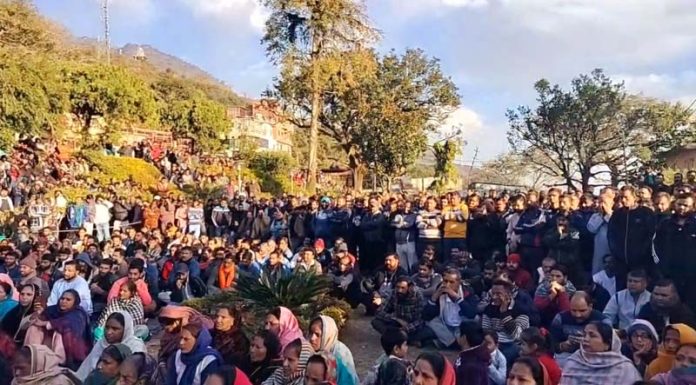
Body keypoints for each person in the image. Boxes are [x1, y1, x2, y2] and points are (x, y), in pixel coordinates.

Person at [23, 289, 92, 371]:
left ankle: (58, 362)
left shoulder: (79, 313)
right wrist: (38, 315)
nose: (64, 301)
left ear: (75, 302)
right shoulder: (54, 309)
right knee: (34, 328)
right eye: (62, 299)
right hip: (48, 341)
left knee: (59, 331)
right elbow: (39, 319)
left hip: (71, 351)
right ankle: (31, 355)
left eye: (68, 300)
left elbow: (67, 322)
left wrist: (46, 323)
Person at [560, 321, 641, 385]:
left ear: (607, 344)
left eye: (592, 336)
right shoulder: (573, 362)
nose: (586, 339)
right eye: (584, 335)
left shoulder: (624, 368)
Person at [653, 193, 696, 311]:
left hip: (692, 278)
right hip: (669, 275)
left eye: (686, 205)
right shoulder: (665, 224)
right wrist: (660, 267)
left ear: (693, 207)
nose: (682, 208)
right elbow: (655, 246)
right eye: (679, 204)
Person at [418, 268, 478, 348]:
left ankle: (445, 343)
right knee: (431, 323)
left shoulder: (467, 291)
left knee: (475, 322)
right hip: (445, 325)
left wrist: (457, 298)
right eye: (445, 281)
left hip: (460, 325)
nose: (447, 285)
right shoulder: (440, 288)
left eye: (451, 282)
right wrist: (434, 297)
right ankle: (453, 343)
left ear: (458, 283)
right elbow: (426, 315)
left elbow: (471, 314)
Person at [77, 311, 146, 381]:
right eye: (107, 327)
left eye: (115, 329)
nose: (109, 332)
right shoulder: (101, 344)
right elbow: (85, 371)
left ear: (125, 330)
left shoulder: (135, 347)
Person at [608, 186, 656, 281]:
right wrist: (616, 252)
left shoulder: (646, 213)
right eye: (621, 197)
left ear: (635, 197)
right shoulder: (617, 214)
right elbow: (611, 235)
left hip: (641, 262)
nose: (623, 200)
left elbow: (651, 235)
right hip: (620, 262)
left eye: (626, 197)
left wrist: (642, 252)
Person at [550, 291, 610, 365]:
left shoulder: (603, 321)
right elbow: (551, 345)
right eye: (573, 310)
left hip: (595, 359)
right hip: (566, 358)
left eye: (582, 311)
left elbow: (610, 347)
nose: (578, 315)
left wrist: (588, 343)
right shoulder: (560, 319)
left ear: (590, 306)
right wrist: (563, 346)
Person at [482, 279, 530, 364]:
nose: (494, 297)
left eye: (498, 294)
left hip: (514, 344)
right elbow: (486, 330)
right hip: (495, 342)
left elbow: (517, 335)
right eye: (493, 293)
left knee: (501, 359)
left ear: (508, 295)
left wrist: (504, 313)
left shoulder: (521, 310)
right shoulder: (489, 309)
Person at [307, 315, 358, 385]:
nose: (312, 338)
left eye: (317, 334)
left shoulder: (340, 355)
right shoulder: (310, 350)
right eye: (311, 333)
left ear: (327, 335)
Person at [371, 276, 425, 342]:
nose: (399, 290)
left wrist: (406, 328)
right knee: (376, 322)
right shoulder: (394, 293)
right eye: (398, 287)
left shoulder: (418, 295)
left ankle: (399, 338)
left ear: (409, 288)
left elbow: (420, 319)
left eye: (403, 288)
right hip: (397, 321)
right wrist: (397, 319)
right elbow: (380, 311)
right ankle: (400, 338)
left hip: (412, 324)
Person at [11, 344, 81, 385]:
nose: (17, 373)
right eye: (15, 368)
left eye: (21, 368)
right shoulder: (17, 381)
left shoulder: (58, 382)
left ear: (37, 365)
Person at [211, 306, 250, 371]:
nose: (218, 320)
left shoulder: (239, 340)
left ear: (232, 320)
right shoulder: (211, 333)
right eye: (217, 316)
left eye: (223, 317)